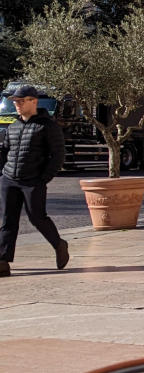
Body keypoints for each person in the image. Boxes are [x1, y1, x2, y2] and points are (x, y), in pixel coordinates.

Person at [0, 86, 69, 278]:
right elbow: (5, 151)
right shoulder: (13, 126)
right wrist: (2, 174)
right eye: (15, 101)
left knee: (37, 218)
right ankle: (3, 262)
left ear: (34, 102)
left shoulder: (48, 126)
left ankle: (59, 244)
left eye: (21, 101)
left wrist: (43, 179)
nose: (17, 104)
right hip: (9, 180)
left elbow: (58, 155)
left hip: (33, 181)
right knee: (8, 221)